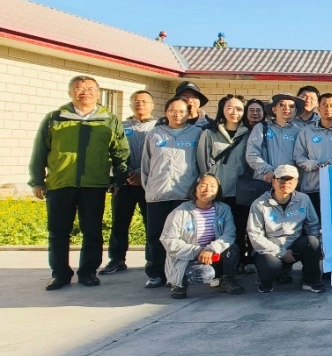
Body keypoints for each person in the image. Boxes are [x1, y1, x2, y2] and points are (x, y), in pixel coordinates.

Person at [30, 76, 129, 291]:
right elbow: (40, 150)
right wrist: (37, 180)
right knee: (58, 232)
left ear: (98, 93)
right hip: (60, 184)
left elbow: (120, 152)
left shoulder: (108, 120)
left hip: (93, 185)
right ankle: (60, 274)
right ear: (70, 92)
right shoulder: (55, 118)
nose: (84, 92)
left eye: (90, 88)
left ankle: (88, 272)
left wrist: (118, 180)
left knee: (92, 231)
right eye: (78, 88)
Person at [142, 97, 204, 289]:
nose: (177, 114)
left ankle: (178, 274)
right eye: (172, 111)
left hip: (185, 195)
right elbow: (146, 166)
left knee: (182, 238)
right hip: (158, 195)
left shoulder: (197, 133)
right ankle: (156, 273)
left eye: (182, 111)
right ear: (166, 112)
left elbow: (201, 163)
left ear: (189, 113)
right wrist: (150, 188)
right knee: (155, 236)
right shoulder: (154, 134)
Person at [160, 174, 244, 299]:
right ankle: (178, 283)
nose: (208, 190)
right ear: (195, 189)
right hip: (187, 257)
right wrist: (198, 251)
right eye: (203, 186)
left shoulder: (224, 209)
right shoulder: (179, 212)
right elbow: (169, 240)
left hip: (212, 254)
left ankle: (226, 280)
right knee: (205, 274)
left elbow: (229, 234)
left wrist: (211, 249)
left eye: (213, 186)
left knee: (232, 249)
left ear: (218, 190)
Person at [101, 90, 156, 276]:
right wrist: (119, 176)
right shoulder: (121, 126)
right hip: (124, 183)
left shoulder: (159, 127)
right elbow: (113, 153)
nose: (140, 104)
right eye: (136, 101)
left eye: (144, 101)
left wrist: (142, 174)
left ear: (152, 105)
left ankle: (152, 260)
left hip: (149, 183)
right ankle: (116, 259)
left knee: (151, 224)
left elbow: (159, 156)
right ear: (130, 104)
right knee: (119, 223)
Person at [247, 164, 325, 293]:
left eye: (290, 179)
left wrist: (318, 247)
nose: (286, 183)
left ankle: (310, 281)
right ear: (273, 181)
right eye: (281, 179)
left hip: (294, 247)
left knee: (312, 242)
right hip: (270, 250)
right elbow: (255, 236)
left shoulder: (304, 199)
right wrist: (282, 253)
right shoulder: (259, 204)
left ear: (296, 182)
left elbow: (313, 225)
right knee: (270, 265)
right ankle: (264, 279)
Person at [196, 94, 251, 272]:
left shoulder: (249, 133)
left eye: (239, 109)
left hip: (241, 191)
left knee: (240, 228)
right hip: (218, 192)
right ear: (222, 110)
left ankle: (239, 264)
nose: (234, 112)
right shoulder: (209, 133)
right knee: (217, 229)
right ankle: (217, 266)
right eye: (230, 108)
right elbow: (202, 163)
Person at [294, 93, 332, 217]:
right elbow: (298, 157)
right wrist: (312, 164)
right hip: (312, 187)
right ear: (318, 108)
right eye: (324, 105)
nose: (328, 108)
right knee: (313, 224)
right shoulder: (306, 131)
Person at [245, 92, 305, 193]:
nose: (286, 108)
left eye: (291, 106)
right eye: (282, 105)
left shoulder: (300, 131)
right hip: (264, 182)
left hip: (289, 185)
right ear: (274, 109)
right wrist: (267, 170)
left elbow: (302, 158)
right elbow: (252, 153)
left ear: (295, 111)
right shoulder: (261, 128)